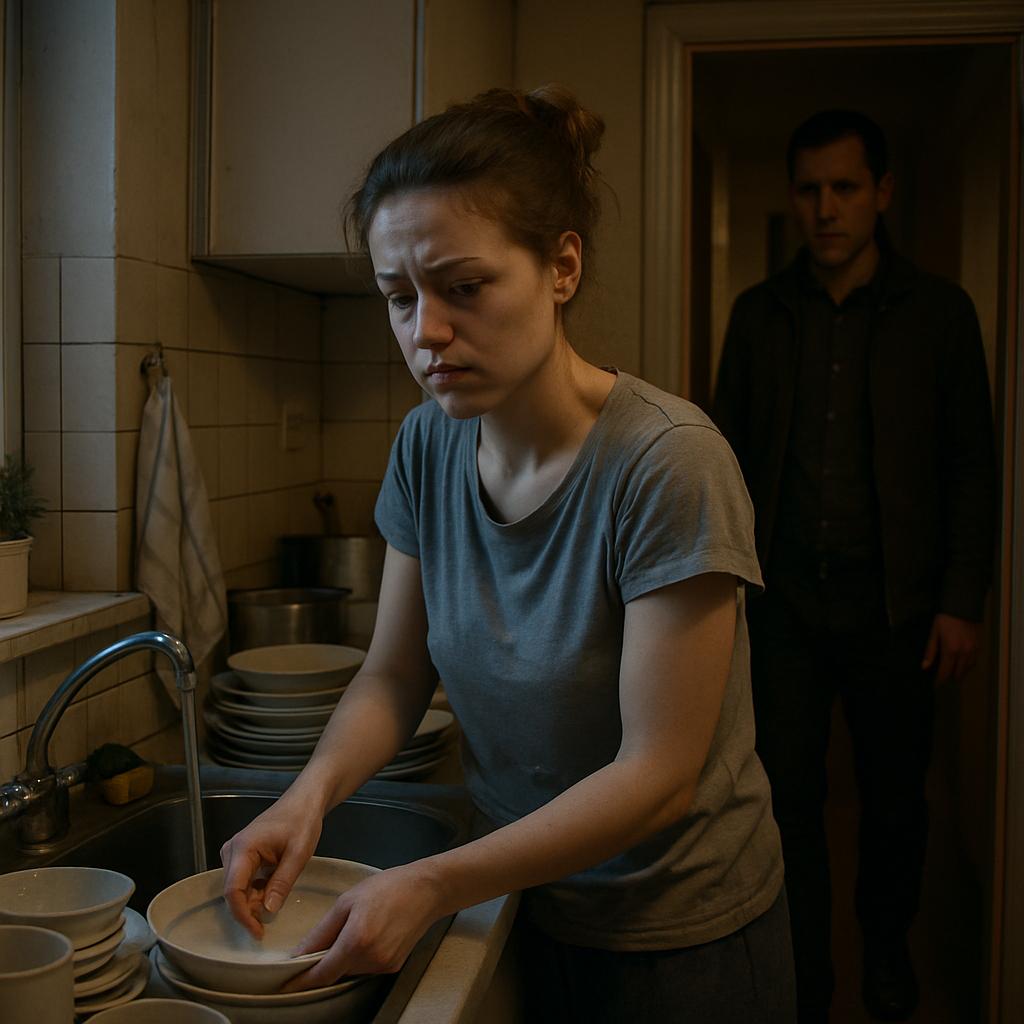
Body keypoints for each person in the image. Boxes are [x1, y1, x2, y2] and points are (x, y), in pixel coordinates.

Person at [219, 85, 795, 1022]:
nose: (425, 332)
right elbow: (394, 675)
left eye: (464, 287)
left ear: (561, 267)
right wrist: (305, 798)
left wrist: (433, 882)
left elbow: (659, 776)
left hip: (680, 936)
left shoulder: (667, 462)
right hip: (521, 900)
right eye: (398, 297)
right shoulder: (426, 445)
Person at [712, 110, 997, 1023]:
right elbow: (723, 458)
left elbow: (972, 464)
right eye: (809, 190)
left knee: (896, 800)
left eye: (844, 188)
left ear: (883, 192)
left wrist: (962, 600)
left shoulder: (941, 314)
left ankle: (885, 953)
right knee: (784, 799)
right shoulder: (759, 315)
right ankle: (806, 977)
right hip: (783, 605)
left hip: (897, 608)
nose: (825, 208)